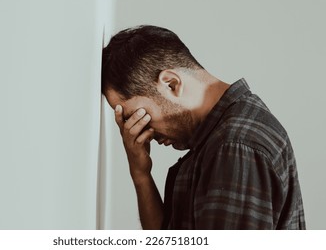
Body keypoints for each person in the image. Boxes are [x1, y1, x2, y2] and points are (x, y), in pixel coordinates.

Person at [101, 25, 306, 230]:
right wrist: (141, 174)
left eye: (133, 115)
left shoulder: (235, 145)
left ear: (171, 84)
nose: (137, 130)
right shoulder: (222, 140)